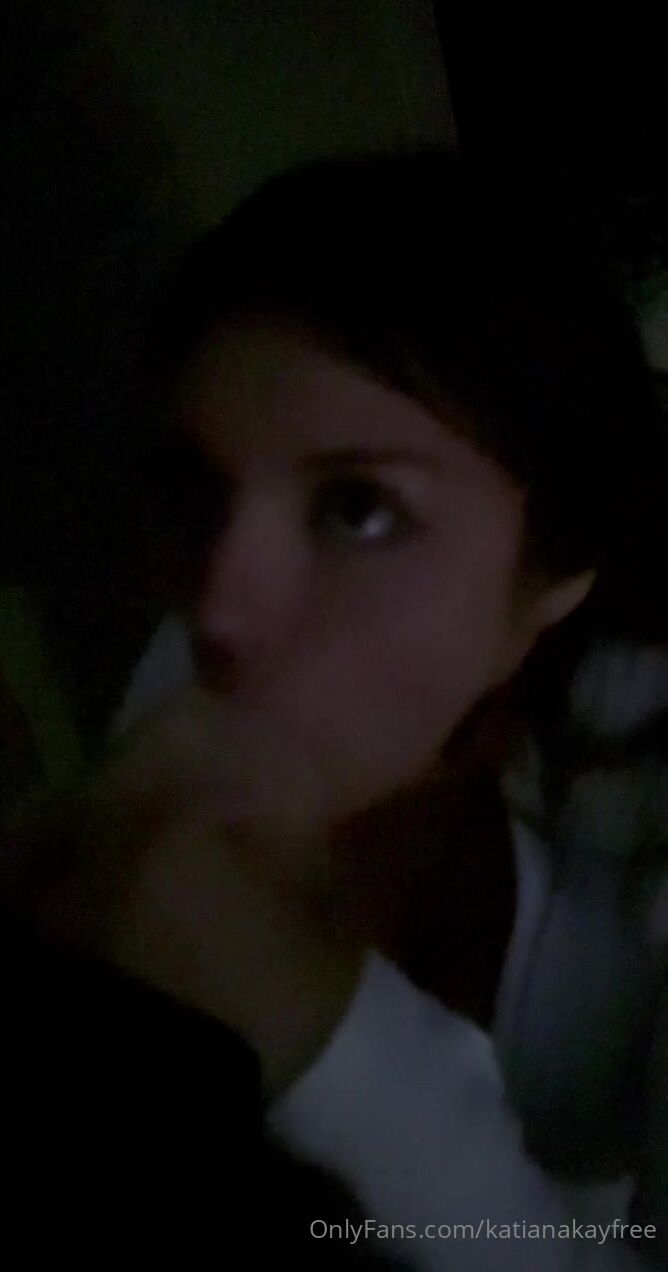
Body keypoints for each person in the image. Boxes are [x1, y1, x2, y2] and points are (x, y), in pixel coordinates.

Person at [3, 147, 667, 1267]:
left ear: (556, 570)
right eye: (198, 494)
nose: (218, 610)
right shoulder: (185, 679)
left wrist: (325, 1034)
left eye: (358, 509)